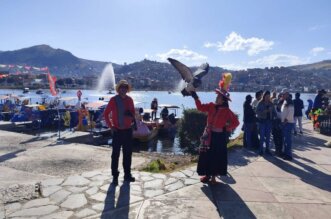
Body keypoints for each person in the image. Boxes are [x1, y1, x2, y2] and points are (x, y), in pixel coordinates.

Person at [191, 73, 239, 184]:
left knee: (216, 157)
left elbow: (236, 122)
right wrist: (195, 97)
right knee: (207, 156)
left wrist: (226, 128)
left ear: (223, 100)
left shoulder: (227, 111)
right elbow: (200, 107)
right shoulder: (211, 106)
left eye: (219, 96)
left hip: (219, 137)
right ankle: (207, 176)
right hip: (208, 135)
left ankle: (213, 178)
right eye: (217, 96)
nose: (216, 97)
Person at [104, 80, 136, 185]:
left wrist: (130, 114)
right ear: (118, 89)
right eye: (122, 87)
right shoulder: (113, 100)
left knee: (128, 154)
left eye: (126, 87)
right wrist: (111, 126)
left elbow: (132, 113)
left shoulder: (130, 100)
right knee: (115, 155)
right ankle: (115, 177)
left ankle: (127, 175)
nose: (124, 89)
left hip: (127, 131)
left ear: (127, 89)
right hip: (117, 131)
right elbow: (106, 114)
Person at [256, 91, 276, 155]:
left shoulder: (271, 104)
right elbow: (257, 112)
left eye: (268, 96)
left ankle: (267, 149)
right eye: (266, 96)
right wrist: (264, 111)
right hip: (262, 121)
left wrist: (275, 116)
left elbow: (274, 112)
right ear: (264, 96)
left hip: (269, 122)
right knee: (261, 137)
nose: (267, 98)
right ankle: (261, 150)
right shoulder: (260, 103)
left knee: (268, 136)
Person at [281, 94, 295, 160]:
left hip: (288, 123)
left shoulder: (290, 102)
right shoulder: (285, 101)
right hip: (285, 123)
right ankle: (286, 153)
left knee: (288, 140)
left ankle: (289, 155)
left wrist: (285, 121)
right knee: (285, 140)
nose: (282, 96)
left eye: (283, 94)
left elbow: (290, 113)